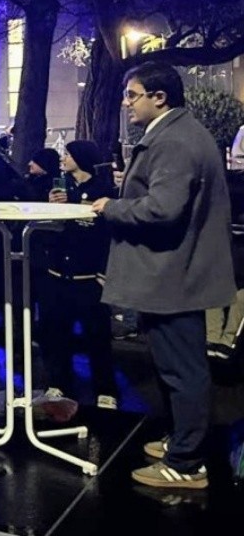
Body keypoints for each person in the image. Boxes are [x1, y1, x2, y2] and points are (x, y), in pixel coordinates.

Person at [91, 61, 235, 489]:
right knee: (177, 367)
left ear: (159, 97)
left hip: (173, 276)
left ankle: (186, 464)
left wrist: (111, 207)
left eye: (132, 95)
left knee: (183, 370)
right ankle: (181, 440)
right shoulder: (180, 134)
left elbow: (162, 209)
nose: (126, 103)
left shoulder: (173, 141)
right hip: (175, 274)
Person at [38, 141, 119, 409]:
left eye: (68, 154)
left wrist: (103, 274)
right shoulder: (58, 188)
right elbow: (45, 230)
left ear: (82, 158)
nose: (63, 158)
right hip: (57, 275)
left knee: (97, 337)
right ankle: (59, 383)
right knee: (56, 334)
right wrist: (51, 208)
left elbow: (107, 235)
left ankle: (105, 389)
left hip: (87, 278)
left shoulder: (102, 191)